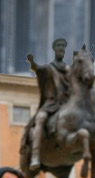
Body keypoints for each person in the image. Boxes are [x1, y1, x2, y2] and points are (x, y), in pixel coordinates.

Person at [26, 38, 70, 170]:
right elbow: (37, 69)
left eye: (63, 46)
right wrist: (32, 61)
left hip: (66, 104)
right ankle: (35, 155)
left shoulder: (69, 70)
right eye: (59, 46)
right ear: (54, 49)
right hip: (50, 104)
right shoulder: (48, 68)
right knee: (40, 119)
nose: (61, 48)